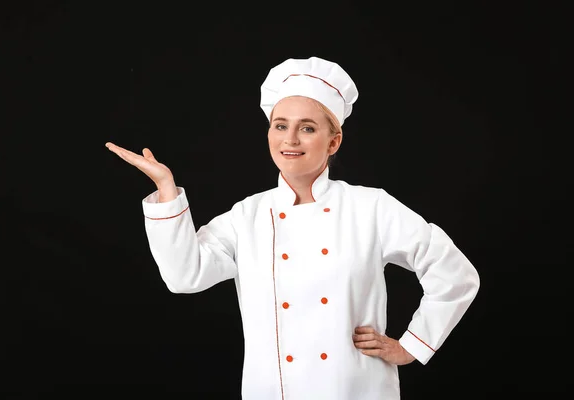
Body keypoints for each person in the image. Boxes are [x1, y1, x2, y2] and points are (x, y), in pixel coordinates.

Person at [105, 56, 480, 399]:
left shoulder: (371, 207)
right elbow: (185, 276)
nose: (290, 139)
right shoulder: (247, 215)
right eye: (280, 125)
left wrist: (413, 345)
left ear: (333, 142)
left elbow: (454, 273)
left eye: (307, 128)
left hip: (353, 389)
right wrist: (167, 191)